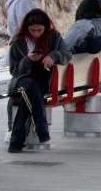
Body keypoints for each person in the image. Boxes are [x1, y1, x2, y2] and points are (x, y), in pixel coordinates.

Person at [6, 9, 68, 152]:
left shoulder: (54, 37)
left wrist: (53, 56)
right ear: (26, 28)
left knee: (30, 94)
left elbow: (66, 54)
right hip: (21, 82)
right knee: (30, 89)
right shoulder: (18, 42)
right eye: (32, 30)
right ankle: (41, 130)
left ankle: (17, 141)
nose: (36, 34)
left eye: (40, 30)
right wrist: (28, 59)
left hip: (43, 82)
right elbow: (14, 71)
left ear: (46, 27)